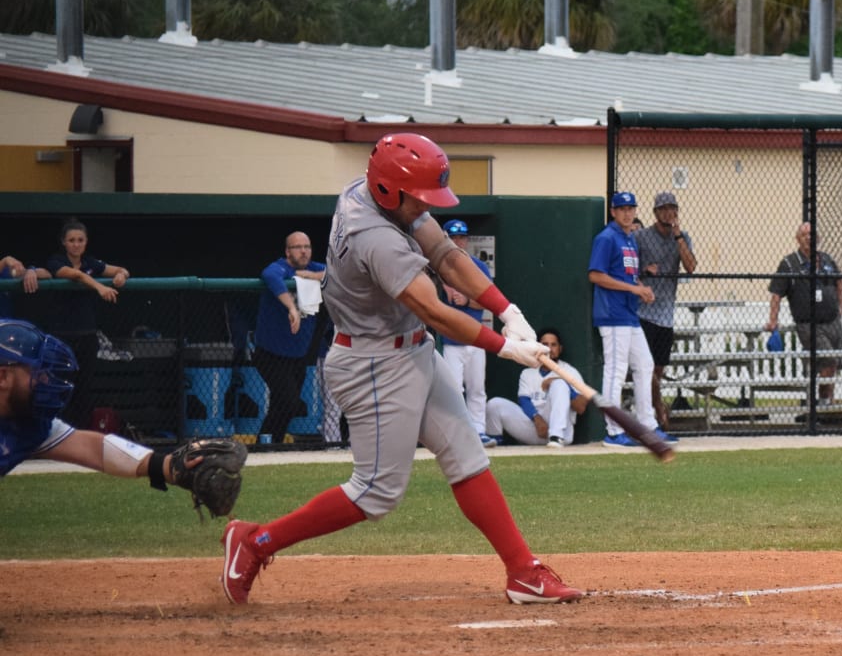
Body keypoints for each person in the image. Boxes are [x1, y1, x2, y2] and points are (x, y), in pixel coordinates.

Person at [219, 132, 582, 606]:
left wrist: (509, 311)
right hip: (373, 362)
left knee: (467, 457)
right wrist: (506, 347)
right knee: (375, 493)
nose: (426, 208)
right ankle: (254, 541)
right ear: (392, 192)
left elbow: (447, 256)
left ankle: (523, 571)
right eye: (420, 199)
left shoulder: (374, 190)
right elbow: (433, 309)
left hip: (408, 348)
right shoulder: (374, 237)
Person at [1, 318, 246, 515]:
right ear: (3, 377)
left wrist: (165, 465)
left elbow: (93, 448)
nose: (47, 382)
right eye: (38, 374)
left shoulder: (28, 423)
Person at [588, 190, 669, 448]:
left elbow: (626, 276)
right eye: (622, 208)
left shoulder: (630, 239)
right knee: (615, 371)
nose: (627, 212)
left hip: (629, 314)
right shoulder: (607, 238)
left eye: (631, 208)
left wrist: (640, 286)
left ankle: (647, 427)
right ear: (613, 211)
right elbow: (596, 276)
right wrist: (634, 289)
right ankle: (613, 431)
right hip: (612, 314)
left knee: (645, 365)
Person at [43, 219, 131, 429]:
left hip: (87, 335)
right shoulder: (56, 261)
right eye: (71, 240)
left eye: (80, 240)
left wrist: (121, 276)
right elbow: (74, 275)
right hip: (62, 336)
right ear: (64, 242)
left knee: (84, 386)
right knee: (61, 384)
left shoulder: (91, 263)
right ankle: (56, 432)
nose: (76, 244)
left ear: (86, 242)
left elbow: (120, 269)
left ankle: (80, 434)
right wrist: (100, 288)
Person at [253, 232, 326, 445]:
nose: (303, 251)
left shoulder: (313, 268)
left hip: (298, 354)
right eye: (297, 247)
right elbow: (269, 275)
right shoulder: (281, 267)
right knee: (287, 400)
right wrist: (291, 307)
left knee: (284, 404)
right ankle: (267, 443)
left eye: (307, 246)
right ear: (287, 251)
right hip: (270, 353)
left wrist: (310, 277)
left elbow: (338, 273)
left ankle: (268, 444)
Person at [633, 191, 697, 432]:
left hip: (666, 314)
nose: (669, 213)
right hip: (643, 312)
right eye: (664, 209)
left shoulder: (682, 237)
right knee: (646, 367)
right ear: (656, 212)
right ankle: (655, 412)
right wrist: (645, 272)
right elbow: (629, 271)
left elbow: (691, 266)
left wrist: (678, 236)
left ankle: (653, 411)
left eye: (672, 209)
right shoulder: (641, 237)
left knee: (658, 368)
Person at [765, 222, 842, 411]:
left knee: (833, 364)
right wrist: (773, 320)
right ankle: (823, 403)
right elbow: (776, 294)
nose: (810, 238)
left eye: (813, 235)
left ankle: (826, 402)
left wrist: (840, 306)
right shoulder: (789, 263)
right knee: (828, 359)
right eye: (805, 235)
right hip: (809, 324)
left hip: (832, 322)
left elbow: (839, 280)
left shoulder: (826, 260)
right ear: (798, 239)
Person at [437, 219, 498, 447]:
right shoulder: (437, 265)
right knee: (453, 388)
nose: (458, 241)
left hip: (475, 336)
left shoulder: (477, 266)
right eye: (453, 237)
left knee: (477, 387)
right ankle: (455, 434)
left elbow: (488, 301)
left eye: (462, 237)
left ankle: (479, 431)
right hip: (451, 338)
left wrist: (467, 300)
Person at [486, 328, 589, 447]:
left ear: (560, 349)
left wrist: (563, 384)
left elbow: (581, 408)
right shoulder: (528, 373)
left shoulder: (570, 371)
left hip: (562, 431)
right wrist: (537, 419)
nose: (549, 349)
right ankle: (494, 444)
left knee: (559, 384)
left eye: (553, 345)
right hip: (535, 426)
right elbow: (524, 401)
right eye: (545, 344)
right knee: (495, 404)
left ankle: (556, 437)